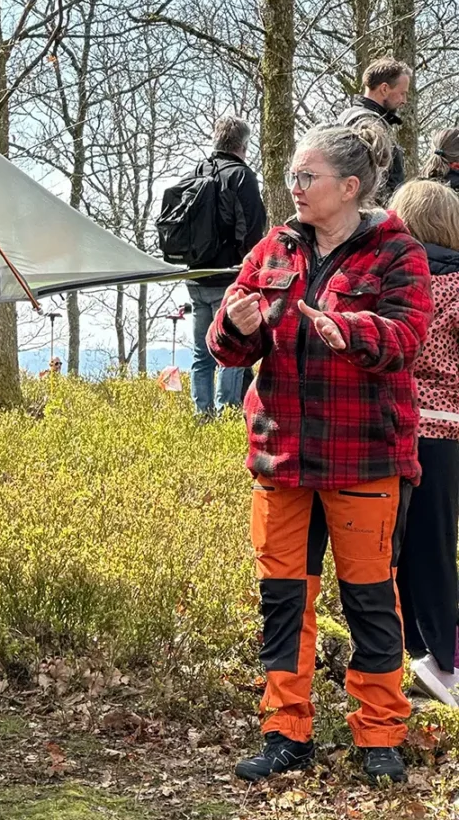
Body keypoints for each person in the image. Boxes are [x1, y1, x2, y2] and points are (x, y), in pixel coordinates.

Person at [207, 121, 432, 784]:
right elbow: (227, 347)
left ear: (351, 186)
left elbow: (408, 336)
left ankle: (380, 736)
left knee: (370, 600)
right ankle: (285, 732)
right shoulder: (273, 248)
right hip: (281, 459)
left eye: (308, 177)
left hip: (365, 458)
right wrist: (234, 327)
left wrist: (349, 329)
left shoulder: (397, 251)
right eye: (292, 176)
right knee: (282, 600)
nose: (295, 187)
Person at [390, 180, 459, 705]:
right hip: (447, 430)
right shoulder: (457, 285)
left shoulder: (394, 282)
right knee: (438, 543)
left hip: (394, 428)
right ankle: (445, 657)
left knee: (398, 544)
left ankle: (411, 646)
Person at [185, 116, 265, 418]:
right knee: (232, 346)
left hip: (195, 274)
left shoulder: (196, 172)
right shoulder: (241, 176)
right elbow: (253, 226)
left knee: (201, 351)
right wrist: (253, 266)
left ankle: (201, 414)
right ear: (243, 145)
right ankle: (227, 411)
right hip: (230, 274)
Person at [337, 57, 412, 202]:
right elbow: (372, 185)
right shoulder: (368, 123)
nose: (404, 100)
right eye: (402, 93)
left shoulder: (349, 117)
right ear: (384, 89)